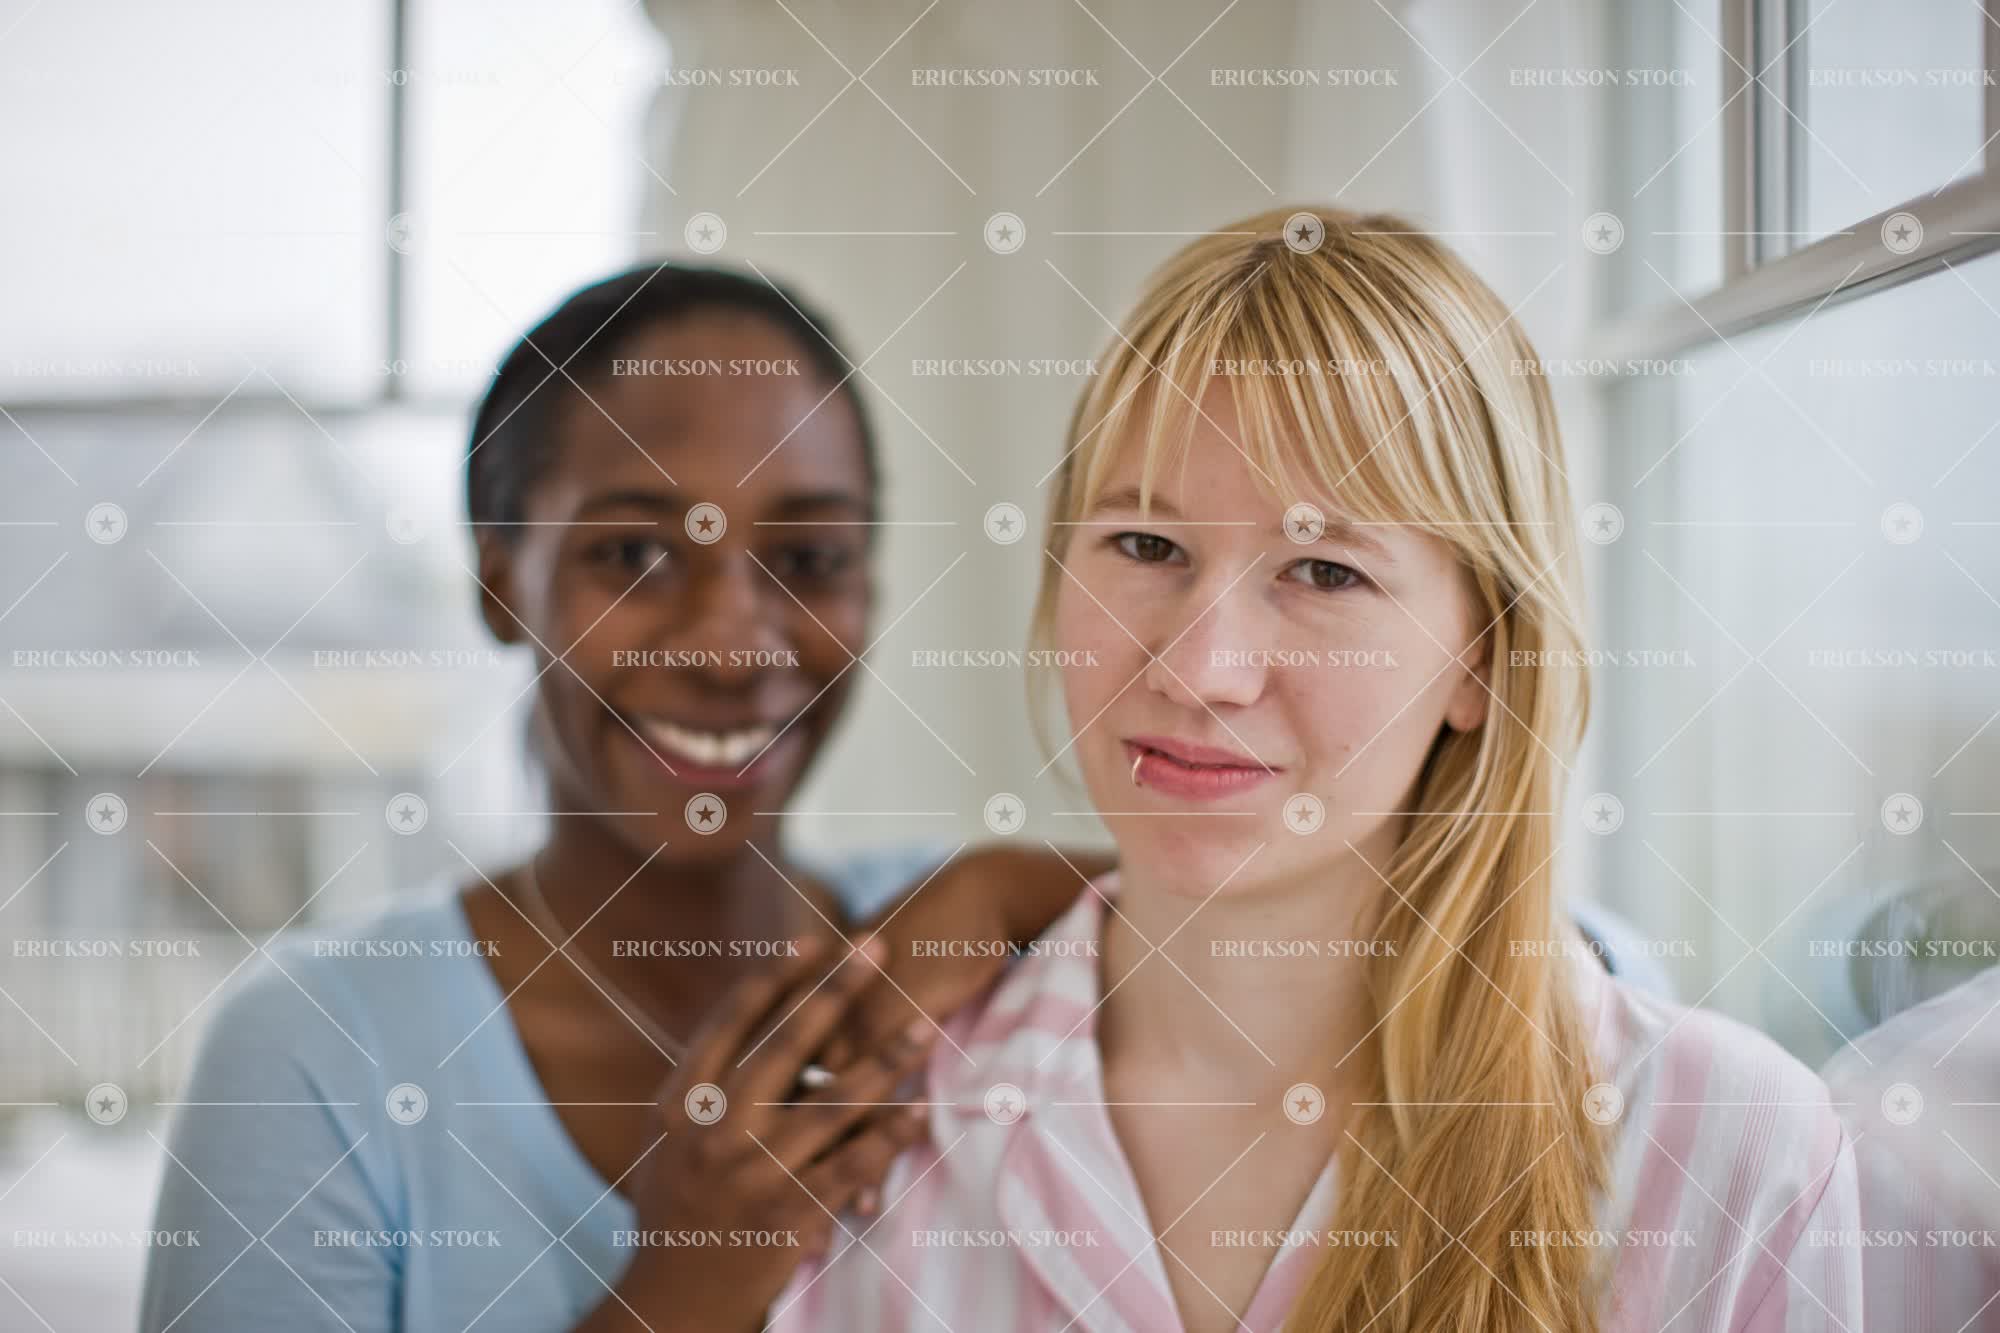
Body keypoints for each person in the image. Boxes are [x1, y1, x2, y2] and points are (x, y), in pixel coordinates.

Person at [767, 207, 1863, 1332]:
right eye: (1146, 545)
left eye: (1324, 571)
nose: (1199, 670)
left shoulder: (1729, 1155)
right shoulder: (858, 1124)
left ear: (1481, 660)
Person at [137, 263, 1107, 1333]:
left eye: (808, 556)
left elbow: (1250, 932)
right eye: (635, 553)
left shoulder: (976, 952)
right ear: (500, 582)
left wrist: (999, 884)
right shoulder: (316, 1056)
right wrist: (679, 1293)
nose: (732, 645)